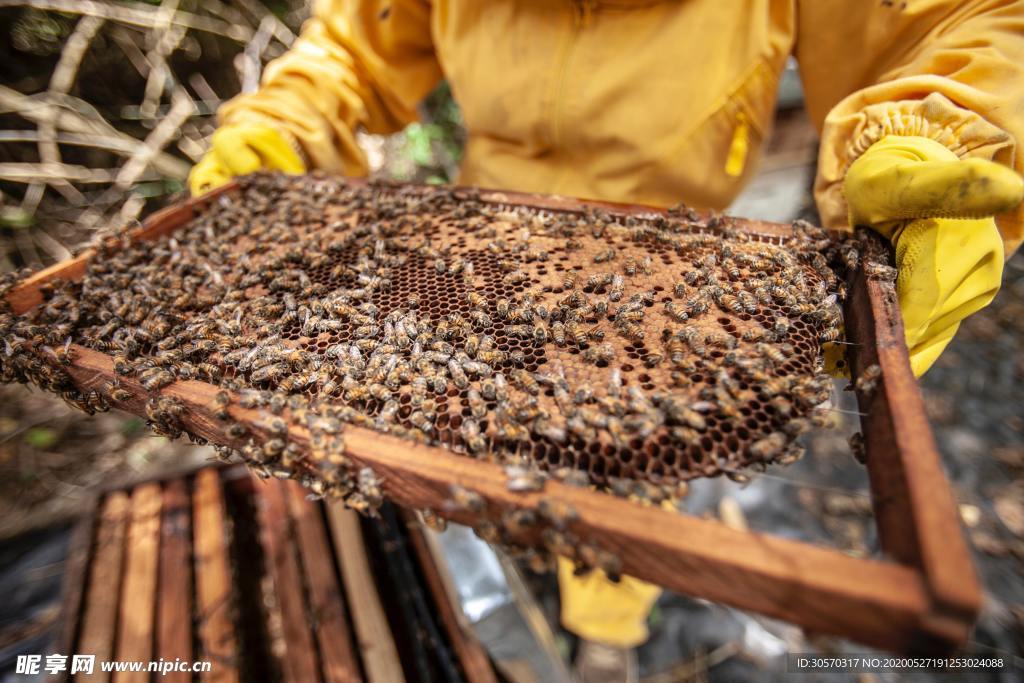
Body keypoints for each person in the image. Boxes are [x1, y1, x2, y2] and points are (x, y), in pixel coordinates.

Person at [190, 2, 1024, 680]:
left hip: (665, 274)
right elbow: (353, 45)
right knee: (468, 436)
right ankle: (515, 544)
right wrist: (288, 124)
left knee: (626, 476)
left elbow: (958, 19)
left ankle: (606, 627)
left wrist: (949, 125)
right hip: (478, 255)